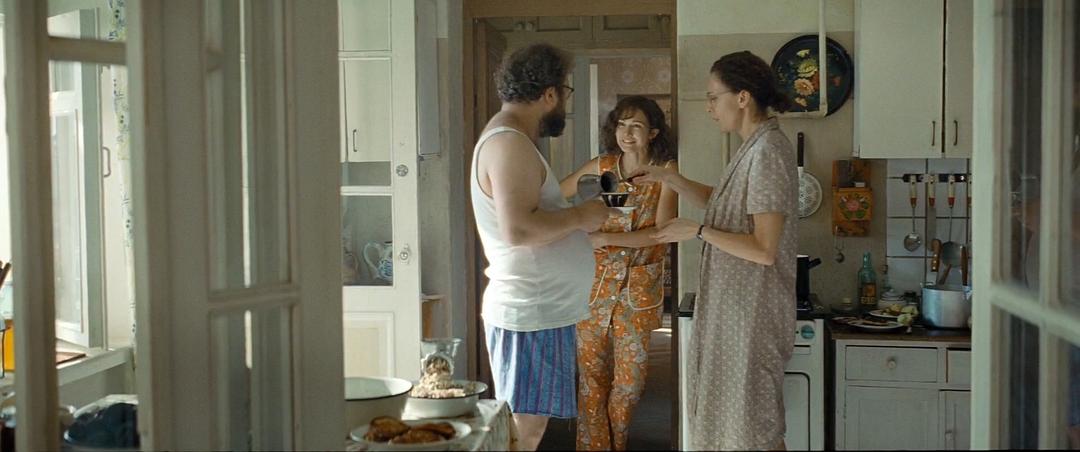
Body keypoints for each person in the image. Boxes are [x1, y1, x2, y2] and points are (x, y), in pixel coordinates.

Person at [631, 50, 798, 450]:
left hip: (752, 316)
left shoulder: (768, 152)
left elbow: (764, 249)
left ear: (742, 97)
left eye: (712, 97)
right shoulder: (752, 147)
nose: (708, 107)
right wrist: (669, 178)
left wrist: (698, 231)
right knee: (736, 429)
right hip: (735, 313)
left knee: (755, 432)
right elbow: (726, 205)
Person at [469, 42, 615, 451]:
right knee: (523, 430)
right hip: (530, 310)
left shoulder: (512, 140)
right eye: (565, 92)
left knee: (528, 428)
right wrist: (581, 216)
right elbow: (517, 229)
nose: (563, 103)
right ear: (549, 93)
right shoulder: (508, 144)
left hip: (540, 310)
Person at [558, 96, 677, 450]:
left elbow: (662, 233)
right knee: (591, 380)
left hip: (637, 292)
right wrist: (574, 227)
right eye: (622, 125)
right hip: (593, 288)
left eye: (636, 126)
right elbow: (555, 196)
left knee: (629, 385)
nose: (627, 133)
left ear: (652, 132)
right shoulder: (603, 167)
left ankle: (617, 442)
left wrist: (607, 238)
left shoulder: (665, 171)